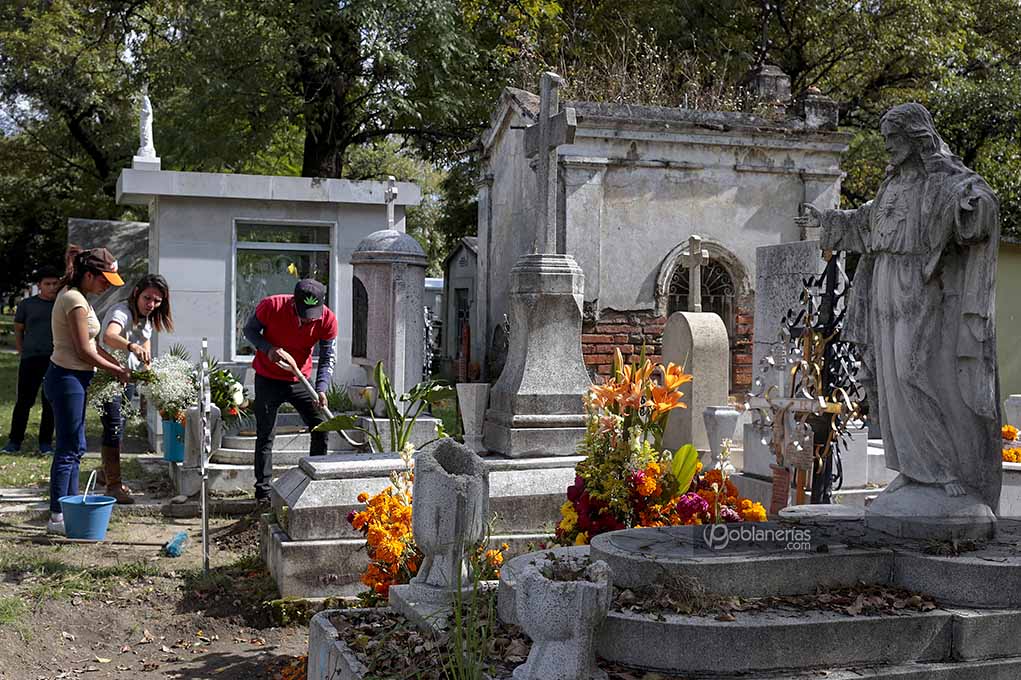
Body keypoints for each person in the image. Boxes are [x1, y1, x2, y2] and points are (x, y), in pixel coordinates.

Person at [796, 102, 1001, 515]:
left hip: (919, 285)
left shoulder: (943, 180)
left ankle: (946, 471)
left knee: (912, 372)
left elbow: (980, 204)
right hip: (883, 284)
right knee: (889, 379)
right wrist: (829, 221)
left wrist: (971, 208)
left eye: (893, 139)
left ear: (914, 137)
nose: (887, 146)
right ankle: (912, 470)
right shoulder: (891, 185)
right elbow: (868, 223)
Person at [43, 249, 131, 535]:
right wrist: (115, 370)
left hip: (76, 379)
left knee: (76, 446)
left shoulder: (83, 298)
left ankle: (70, 507)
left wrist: (115, 361)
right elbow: (82, 350)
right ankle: (57, 516)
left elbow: (93, 343)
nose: (107, 285)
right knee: (68, 449)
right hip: (66, 377)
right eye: (104, 280)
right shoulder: (73, 299)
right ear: (89, 274)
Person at [243, 279, 337, 503]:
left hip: (300, 380)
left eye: (311, 315)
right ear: (294, 302)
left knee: (321, 426)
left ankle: (315, 482)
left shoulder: (328, 320)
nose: (307, 320)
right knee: (266, 434)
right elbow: (249, 331)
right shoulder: (272, 306)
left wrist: (321, 388)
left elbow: (327, 358)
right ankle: (263, 492)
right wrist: (268, 348)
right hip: (268, 377)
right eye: (303, 314)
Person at [97, 274, 174, 504]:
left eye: (157, 301)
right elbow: (109, 336)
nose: (151, 304)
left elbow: (146, 345)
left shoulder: (147, 319)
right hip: (108, 375)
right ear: (136, 293)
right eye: (147, 298)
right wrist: (131, 346)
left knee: (118, 425)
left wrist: (147, 369)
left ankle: (106, 473)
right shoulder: (122, 311)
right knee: (113, 426)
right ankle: (113, 486)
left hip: (127, 378)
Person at [2, 267, 62, 454]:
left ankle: (45, 442)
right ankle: (14, 441)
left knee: (49, 402)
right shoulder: (27, 305)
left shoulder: (61, 304)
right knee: (24, 401)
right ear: (39, 286)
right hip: (31, 358)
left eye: (55, 283)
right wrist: (21, 349)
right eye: (47, 284)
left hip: (54, 359)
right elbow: (18, 328)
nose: (52, 287)